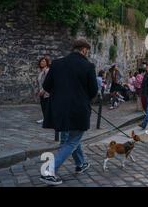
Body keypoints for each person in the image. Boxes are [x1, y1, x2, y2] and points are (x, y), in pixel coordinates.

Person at [40, 39, 98, 186]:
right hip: (78, 110)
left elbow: (47, 86)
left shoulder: (57, 64)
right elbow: (93, 91)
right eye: (87, 51)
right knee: (72, 140)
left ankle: (81, 163)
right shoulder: (88, 66)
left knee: (72, 138)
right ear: (84, 50)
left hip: (59, 110)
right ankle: (49, 171)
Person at [36, 56, 51, 124]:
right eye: (41, 61)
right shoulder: (41, 71)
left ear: (47, 63)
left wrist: (43, 90)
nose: (42, 62)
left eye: (44, 61)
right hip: (41, 91)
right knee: (43, 105)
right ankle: (46, 119)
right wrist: (38, 90)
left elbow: (48, 82)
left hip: (46, 92)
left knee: (46, 106)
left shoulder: (47, 70)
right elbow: (39, 82)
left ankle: (47, 120)